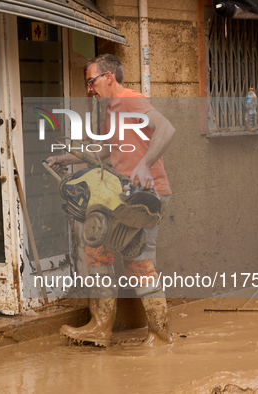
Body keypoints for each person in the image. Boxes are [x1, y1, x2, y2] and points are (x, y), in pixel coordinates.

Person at [47, 54, 175, 347]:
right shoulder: (113, 110)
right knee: (98, 251)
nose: (90, 90)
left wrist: (144, 165)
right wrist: (67, 158)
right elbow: (108, 150)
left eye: (91, 82)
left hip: (146, 196)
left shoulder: (130, 100)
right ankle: (101, 326)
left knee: (139, 261)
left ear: (108, 77)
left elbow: (166, 128)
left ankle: (159, 334)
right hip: (125, 197)